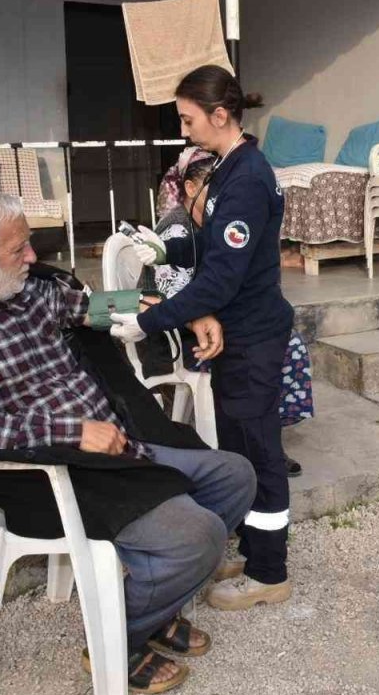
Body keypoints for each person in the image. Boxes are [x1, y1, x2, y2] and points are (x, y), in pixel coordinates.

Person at [0, 189, 257, 695]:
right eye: (19, 249)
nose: (32, 257)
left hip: (119, 447)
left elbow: (96, 307)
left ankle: (152, 603)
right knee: (199, 536)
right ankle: (121, 637)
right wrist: (75, 432)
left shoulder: (31, 289)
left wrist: (182, 313)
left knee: (236, 477)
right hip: (57, 474)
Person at [110, 64, 296, 612]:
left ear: (220, 115)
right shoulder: (226, 169)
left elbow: (221, 277)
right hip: (233, 329)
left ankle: (269, 572)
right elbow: (210, 254)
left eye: (189, 119)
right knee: (237, 448)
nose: (185, 130)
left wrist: (150, 319)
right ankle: (253, 545)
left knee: (259, 451)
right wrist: (164, 255)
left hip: (255, 335)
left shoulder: (246, 180)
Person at [152, 146, 315, 475]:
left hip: (213, 321)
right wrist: (205, 314)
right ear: (190, 189)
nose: (219, 207)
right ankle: (250, 447)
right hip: (181, 336)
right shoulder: (177, 228)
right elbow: (173, 294)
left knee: (284, 342)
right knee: (260, 350)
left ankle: (264, 439)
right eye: (214, 198)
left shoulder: (209, 226)